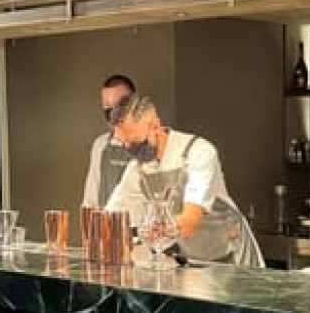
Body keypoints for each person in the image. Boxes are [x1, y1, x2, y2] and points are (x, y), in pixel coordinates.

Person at [105, 93, 265, 268]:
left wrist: (152, 230)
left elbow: (190, 221)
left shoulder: (199, 152)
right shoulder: (138, 168)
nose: (130, 149)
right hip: (193, 260)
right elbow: (112, 217)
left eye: (135, 142)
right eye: (124, 143)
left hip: (231, 256)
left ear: (155, 126)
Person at [81, 74, 138, 208]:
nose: (112, 112)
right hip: (105, 220)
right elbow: (90, 199)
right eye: (107, 106)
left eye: (117, 105)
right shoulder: (101, 145)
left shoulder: (153, 144)